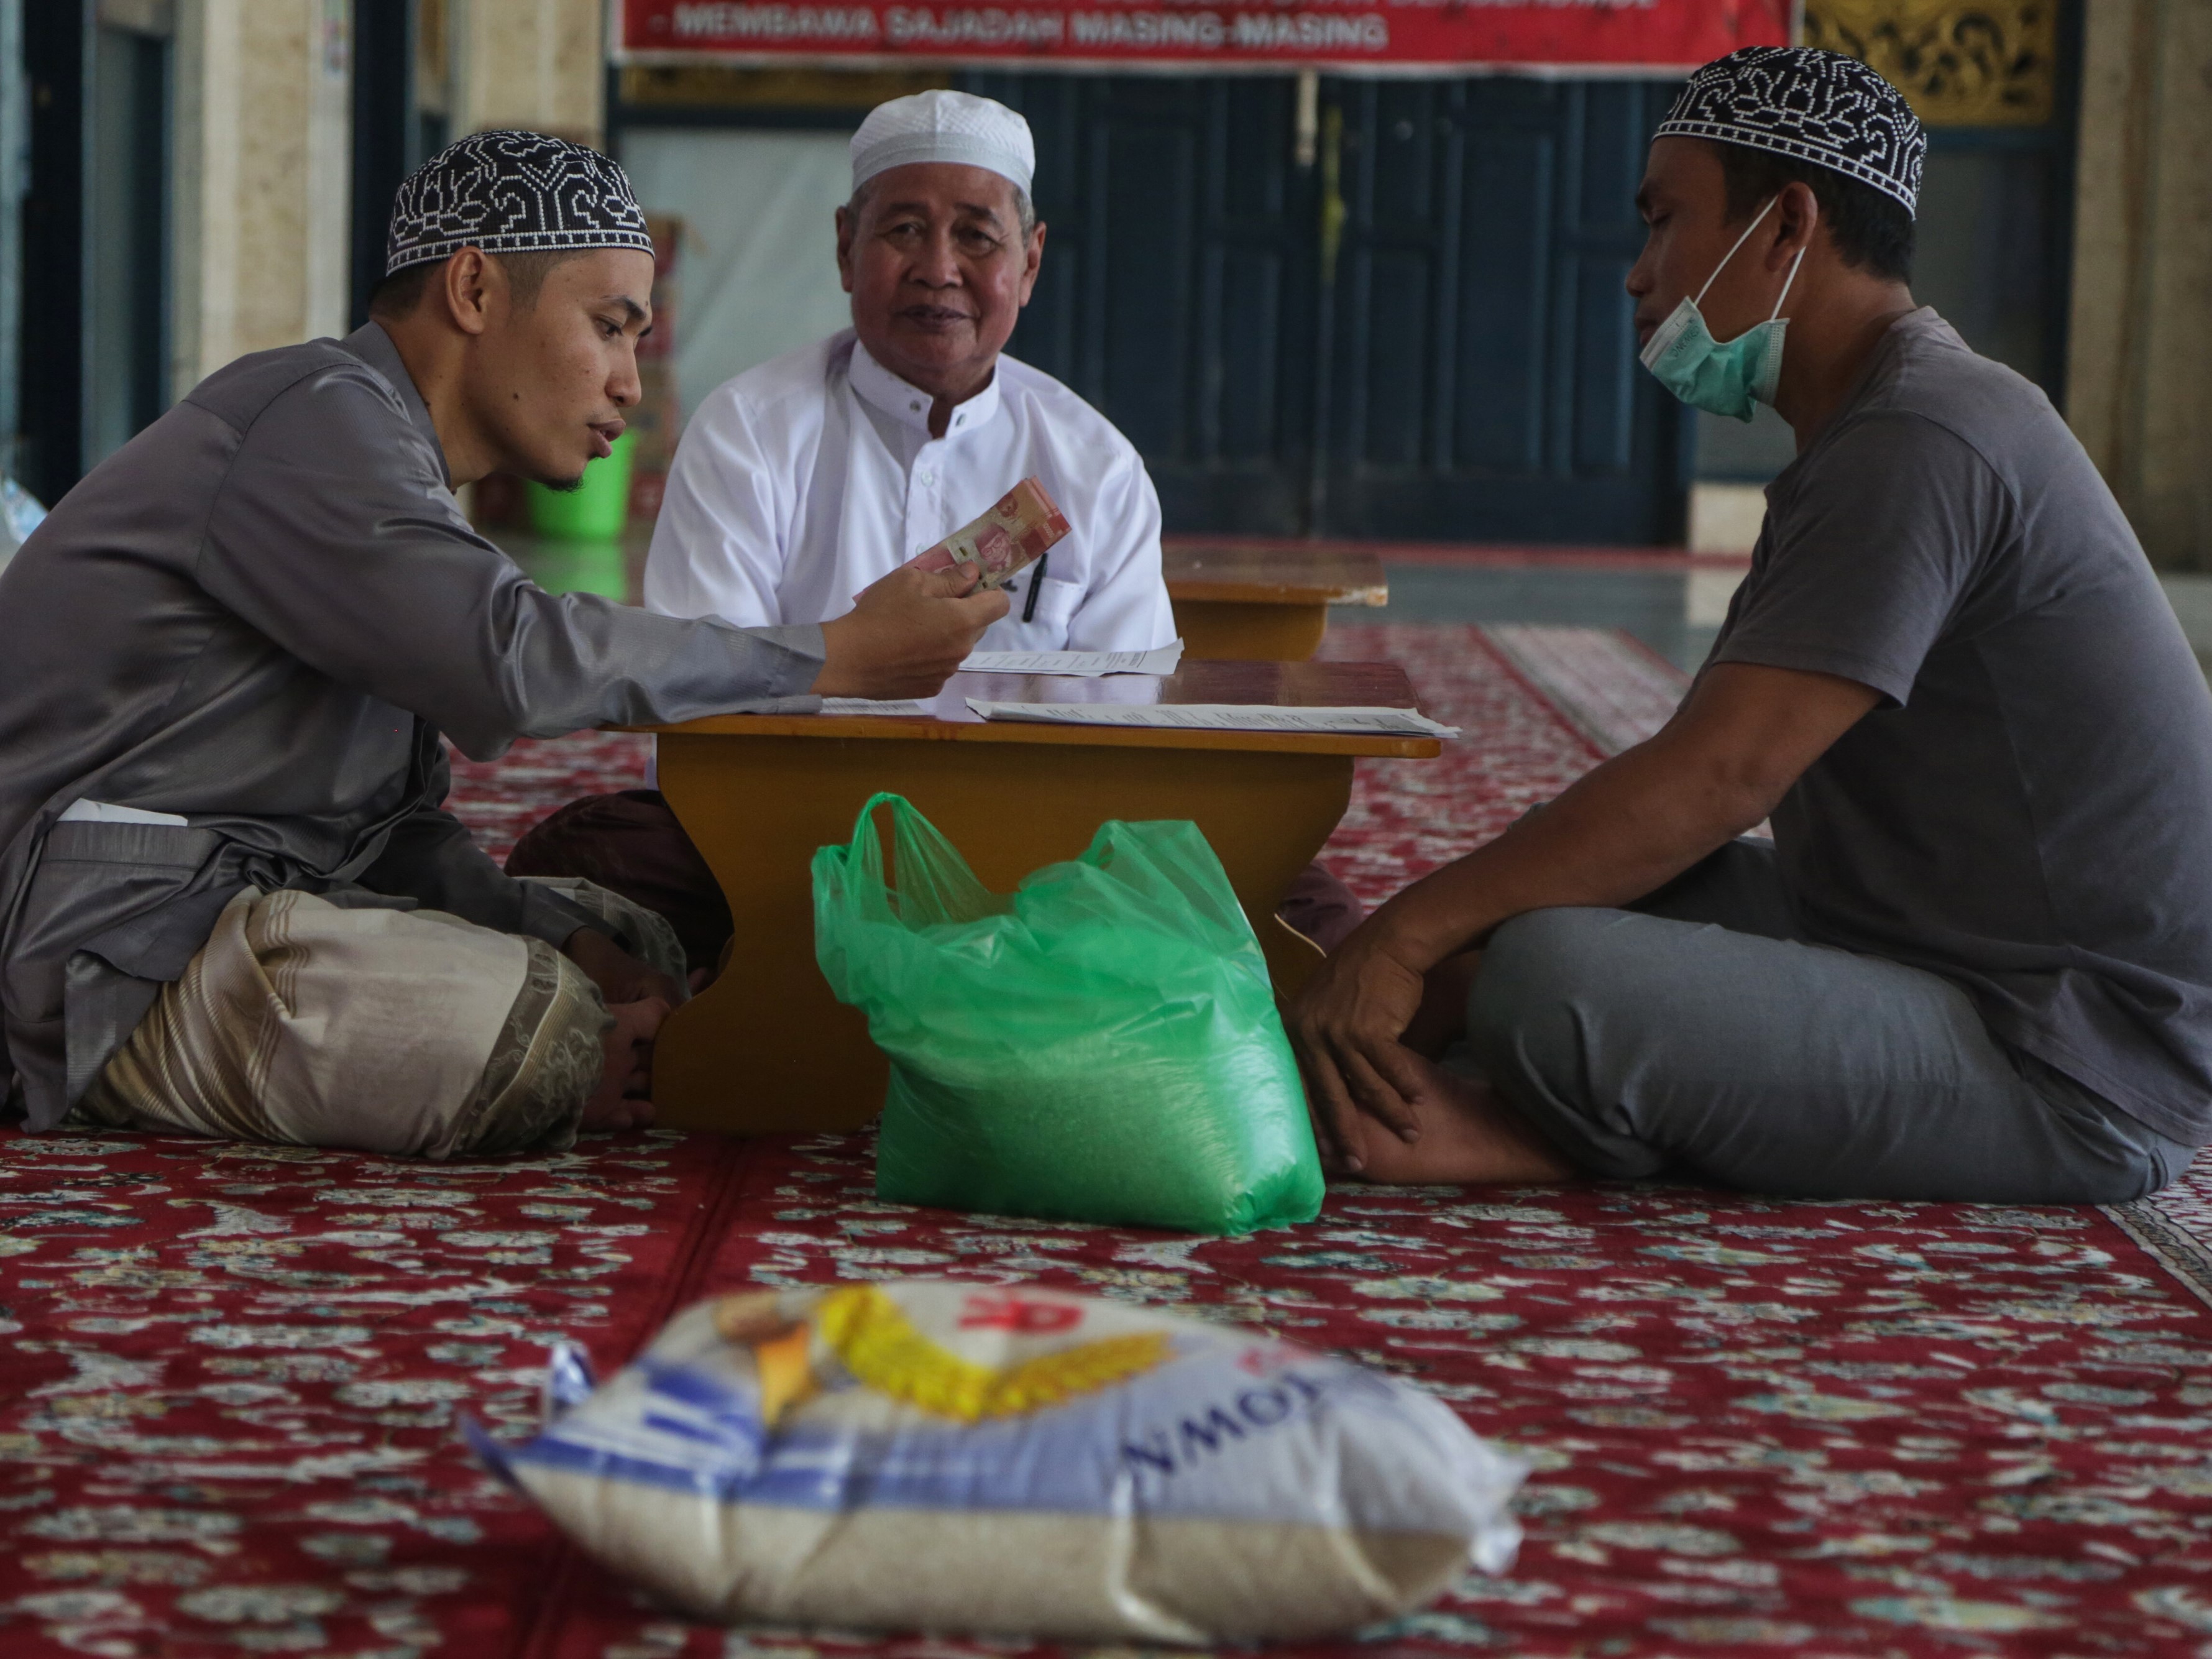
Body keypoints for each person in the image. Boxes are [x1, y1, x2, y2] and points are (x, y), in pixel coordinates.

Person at [1289, 45, 2212, 1205]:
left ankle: (1544, 1134)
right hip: (1924, 938)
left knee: (1551, 974)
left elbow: (1721, 777)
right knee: (1547, 886)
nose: (1639, 274)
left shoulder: (1923, 437)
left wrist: (1402, 937)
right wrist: (1433, 948)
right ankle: (1375, 1060)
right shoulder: (1880, 422)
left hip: (2074, 1058)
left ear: (1786, 225)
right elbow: (1679, 788)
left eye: (1663, 221)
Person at [0, 131, 1006, 1160]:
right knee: (534, 1028)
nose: (629, 384)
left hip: (247, 898)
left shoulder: (395, 465)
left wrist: (571, 940)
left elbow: (388, 830)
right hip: (95, 941)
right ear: (474, 289)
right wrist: (831, 654)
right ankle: (579, 1052)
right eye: (608, 329)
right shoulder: (309, 422)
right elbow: (514, 656)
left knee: (628, 936)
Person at [511, 89, 1363, 963]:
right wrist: (852, 662)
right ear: (846, 249)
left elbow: (1135, 732)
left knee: (1297, 895)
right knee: (580, 858)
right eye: (904, 230)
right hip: (797, 831)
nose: (938, 268)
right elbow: (699, 707)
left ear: (1030, 263)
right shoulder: (749, 431)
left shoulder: (1094, 464)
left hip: (1041, 840)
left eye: (977, 237)